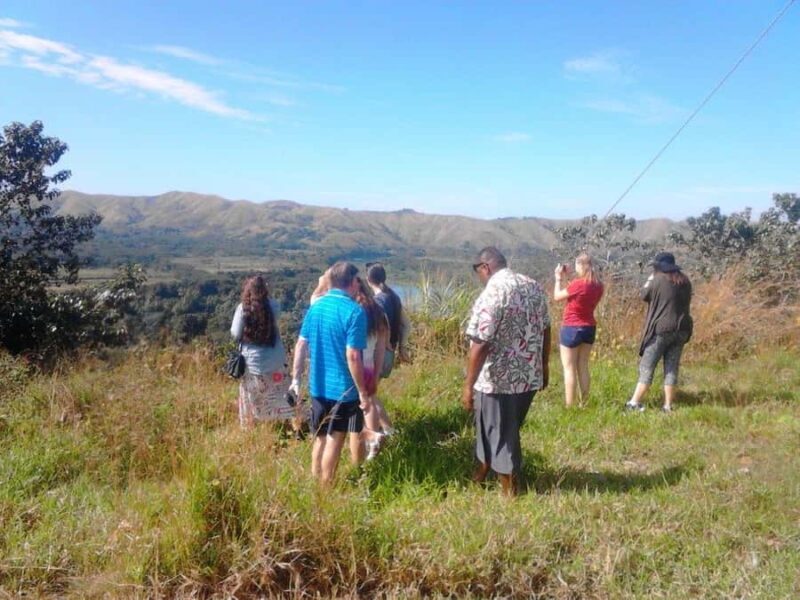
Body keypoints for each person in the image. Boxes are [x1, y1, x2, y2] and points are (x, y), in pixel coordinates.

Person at [463, 247, 551, 496]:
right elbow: (546, 328)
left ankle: (510, 493)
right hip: (528, 377)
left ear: (485, 267)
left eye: (477, 271)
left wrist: (468, 385)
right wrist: (544, 365)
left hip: (498, 380)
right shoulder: (532, 285)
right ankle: (480, 475)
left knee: (501, 434)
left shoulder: (494, 291)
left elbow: (481, 341)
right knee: (503, 429)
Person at [290, 261, 371, 484]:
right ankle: (326, 491)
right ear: (353, 282)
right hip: (343, 390)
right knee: (335, 440)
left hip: (317, 386)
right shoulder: (355, 312)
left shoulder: (316, 306)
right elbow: (353, 356)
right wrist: (363, 392)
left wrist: (296, 379)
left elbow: (300, 345)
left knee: (320, 439)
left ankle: (315, 481)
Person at [625, 252, 693, 413]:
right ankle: (668, 406)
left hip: (661, 330)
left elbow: (643, 295)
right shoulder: (685, 281)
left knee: (647, 366)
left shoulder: (658, 280)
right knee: (671, 367)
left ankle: (634, 403)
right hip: (682, 329)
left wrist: (649, 278)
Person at [230, 275, 295, 428]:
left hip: (252, 362)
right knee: (279, 391)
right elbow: (275, 318)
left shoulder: (242, 308)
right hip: (276, 360)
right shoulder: (273, 305)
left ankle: (252, 423)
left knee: (252, 394)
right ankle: (283, 420)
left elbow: (235, 333)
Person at [553, 253, 604, 407]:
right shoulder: (598, 285)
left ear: (581, 266)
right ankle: (585, 402)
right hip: (589, 327)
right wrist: (569, 279)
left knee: (569, 368)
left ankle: (570, 406)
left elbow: (557, 296)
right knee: (583, 365)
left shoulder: (577, 284)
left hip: (571, 327)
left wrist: (558, 278)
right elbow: (578, 293)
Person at [352, 276, 391, 460]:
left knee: (354, 410)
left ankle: (370, 439)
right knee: (370, 402)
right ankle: (373, 438)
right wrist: (376, 373)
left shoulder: (353, 311)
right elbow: (381, 347)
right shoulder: (378, 312)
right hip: (369, 366)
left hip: (354, 366)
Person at [366, 262, 410, 368]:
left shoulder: (377, 301)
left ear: (368, 279)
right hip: (390, 353)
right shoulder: (394, 297)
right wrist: (402, 348)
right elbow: (406, 325)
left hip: (377, 353)